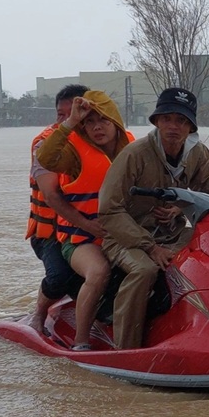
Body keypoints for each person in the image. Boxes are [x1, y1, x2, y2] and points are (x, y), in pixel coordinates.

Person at [98, 87, 209, 350]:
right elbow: (109, 210)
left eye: (181, 121)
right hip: (128, 238)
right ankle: (126, 348)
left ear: (190, 127)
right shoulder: (135, 155)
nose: (173, 126)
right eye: (167, 118)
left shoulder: (197, 153)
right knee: (144, 270)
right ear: (156, 121)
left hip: (173, 234)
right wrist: (149, 246)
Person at [38, 91, 134, 350]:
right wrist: (70, 122)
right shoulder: (73, 153)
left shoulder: (134, 149)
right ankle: (81, 342)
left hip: (122, 234)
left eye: (102, 120)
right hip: (80, 239)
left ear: (115, 121)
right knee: (98, 271)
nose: (97, 127)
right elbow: (46, 159)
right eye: (89, 122)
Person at [26, 85, 89, 333]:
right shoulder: (43, 144)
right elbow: (52, 196)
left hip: (88, 230)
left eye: (72, 114)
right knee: (60, 278)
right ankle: (39, 314)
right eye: (60, 115)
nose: (66, 121)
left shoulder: (100, 140)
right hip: (50, 234)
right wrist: (89, 226)